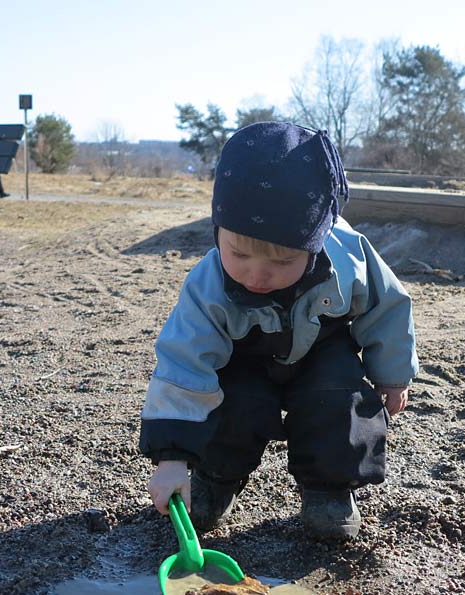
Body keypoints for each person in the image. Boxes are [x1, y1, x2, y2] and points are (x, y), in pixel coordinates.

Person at [139, 121, 419, 541]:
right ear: (219, 232)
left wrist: (392, 374)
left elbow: (388, 308)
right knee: (233, 402)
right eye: (239, 254)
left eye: (283, 262)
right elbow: (184, 362)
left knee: (340, 401)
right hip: (245, 358)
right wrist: (173, 458)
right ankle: (213, 480)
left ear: (316, 241)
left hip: (323, 350)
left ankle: (329, 491)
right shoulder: (208, 286)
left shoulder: (349, 256)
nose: (257, 274)